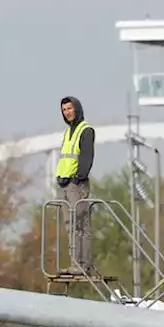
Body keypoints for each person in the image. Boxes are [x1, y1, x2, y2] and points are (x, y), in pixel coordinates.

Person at [55, 96, 96, 273]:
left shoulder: (85, 130)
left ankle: (83, 263)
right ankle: (74, 264)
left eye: (70, 109)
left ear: (76, 109)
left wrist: (79, 178)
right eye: (64, 110)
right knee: (69, 224)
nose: (67, 112)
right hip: (63, 183)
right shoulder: (66, 132)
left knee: (81, 224)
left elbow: (87, 157)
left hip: (76, 184)